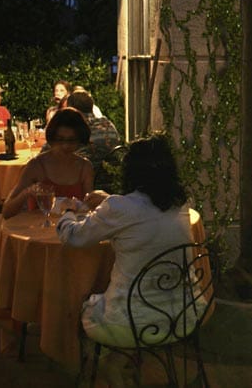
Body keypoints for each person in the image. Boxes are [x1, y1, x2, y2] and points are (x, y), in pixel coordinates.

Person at [56, 135, 199, 385]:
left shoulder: (119, 208)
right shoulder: (182, 204)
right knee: (133, 294)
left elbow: (73, 237)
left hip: (132, 322)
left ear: (131, 171)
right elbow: (141, 211)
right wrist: (109, 201)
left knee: (80, 302)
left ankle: (110, 365)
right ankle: (125, 362)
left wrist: (67, 210)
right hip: (185, 314)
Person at [1, 108, 94, 219]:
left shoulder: (85, 167)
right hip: (39, 231)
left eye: (71, 140)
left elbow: (89, 209)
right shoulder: (36, 166)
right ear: (52, 138)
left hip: (72, 231)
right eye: (60, 139)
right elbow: (6, 212)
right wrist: (27, 192)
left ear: (80, 140)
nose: (65, 146)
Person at [66, 88, 122, 171]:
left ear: (73, 110)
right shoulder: (108, 124)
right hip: (111, 178)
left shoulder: (77, 130)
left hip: (85, 178)